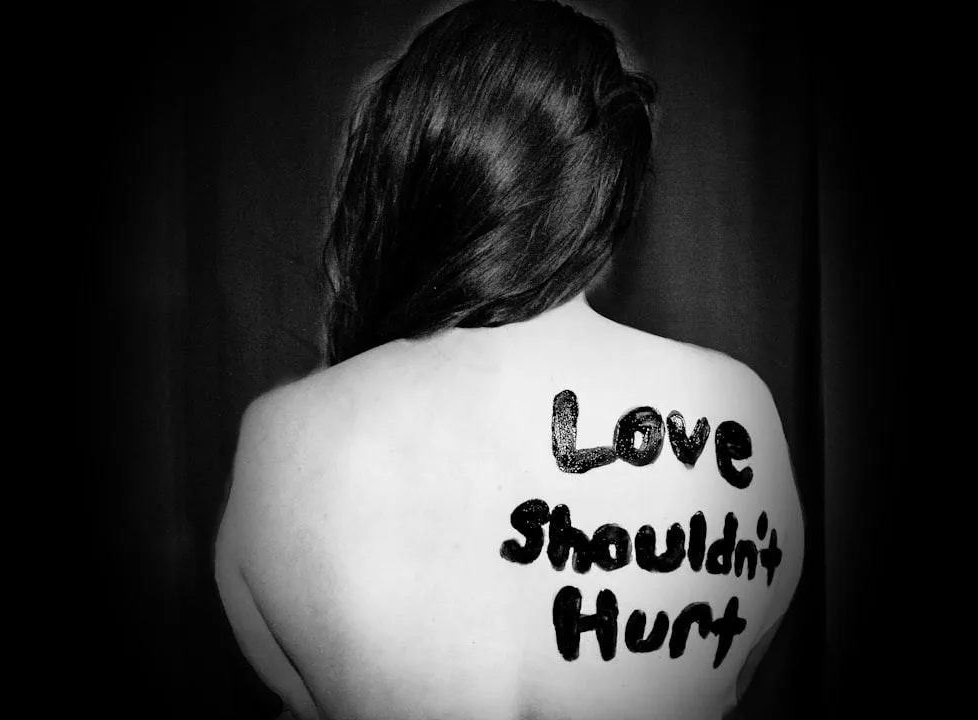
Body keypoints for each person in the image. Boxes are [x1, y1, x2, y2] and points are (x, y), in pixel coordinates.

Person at [214, 1, 805, 718]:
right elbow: (732, 673)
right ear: (606, 185)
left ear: (413, 168)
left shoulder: (281, 437)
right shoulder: (734, 411)